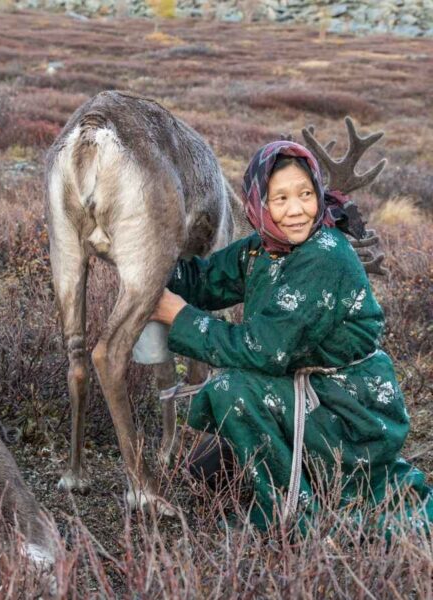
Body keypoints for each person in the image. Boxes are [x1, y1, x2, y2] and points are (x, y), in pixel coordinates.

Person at [149, 140, 433, 534]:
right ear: (258, 203)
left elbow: (263, 350)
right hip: (307, 393)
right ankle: (301, 475)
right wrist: (146, 265)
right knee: (205, 468)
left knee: (232, 389)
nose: (296, 210)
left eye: (305, 194)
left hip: (351, 412)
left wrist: (175, 315)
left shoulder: (325, 254)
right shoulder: (263, 249)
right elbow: (204, 280)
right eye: (279, 198)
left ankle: (293, 517)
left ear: (318, 192)